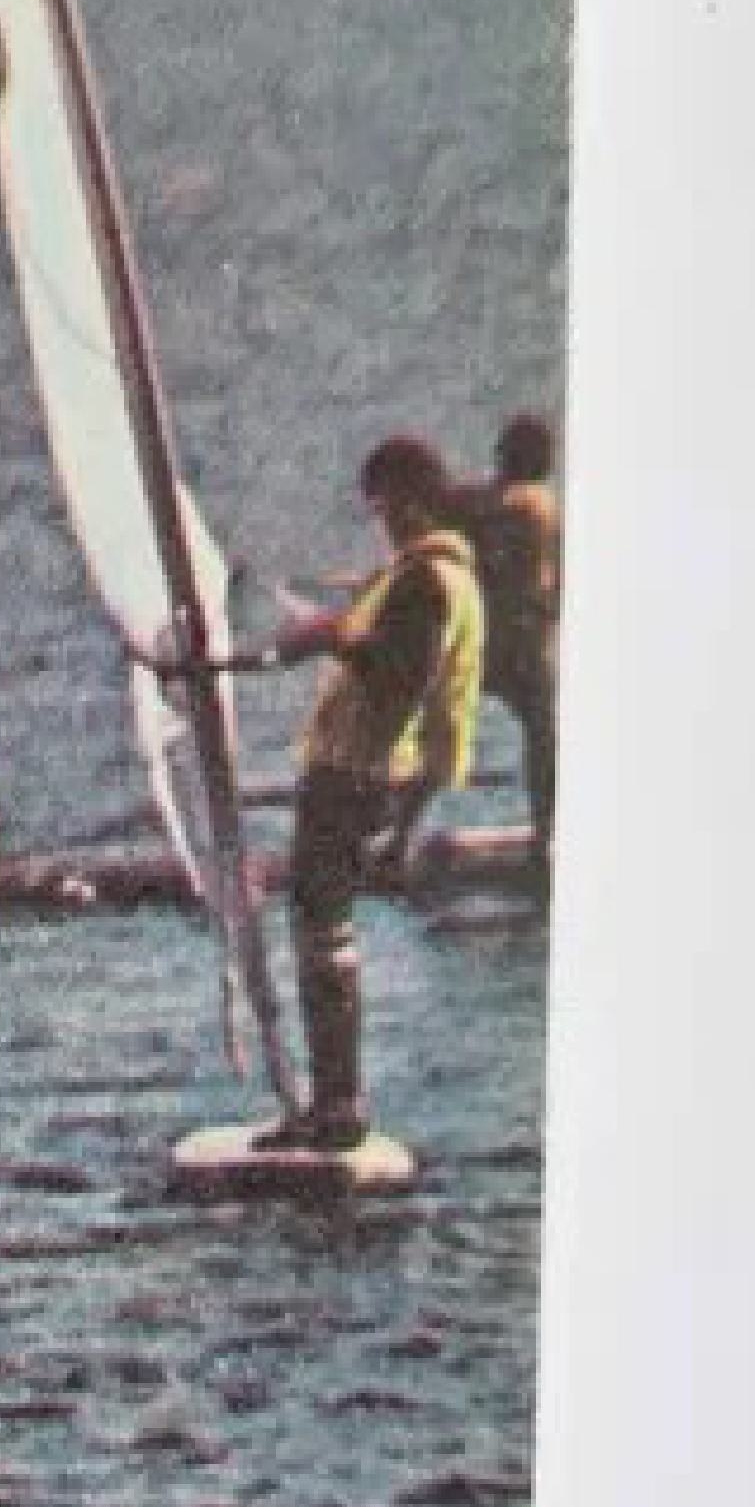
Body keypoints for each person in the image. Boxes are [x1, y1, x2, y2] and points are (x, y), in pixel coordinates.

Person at [262, 436, 483, 1150]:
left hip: (357, 771)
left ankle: (337, 1107)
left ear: (409, 498)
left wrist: (328, 638)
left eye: (383, 507)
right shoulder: (444, 577)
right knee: (325, 928)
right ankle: (335, 1102)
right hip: (385, 773)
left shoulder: (425, 582)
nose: (380, 522)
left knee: (321, 930)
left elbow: (398, 678)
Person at [453, 411, 561, 873]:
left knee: (437, 727)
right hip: (521, 646)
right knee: (543, 736)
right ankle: (544, 834)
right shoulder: (537, 504)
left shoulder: (512, 502)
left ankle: (396, 835)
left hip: (494, 645)